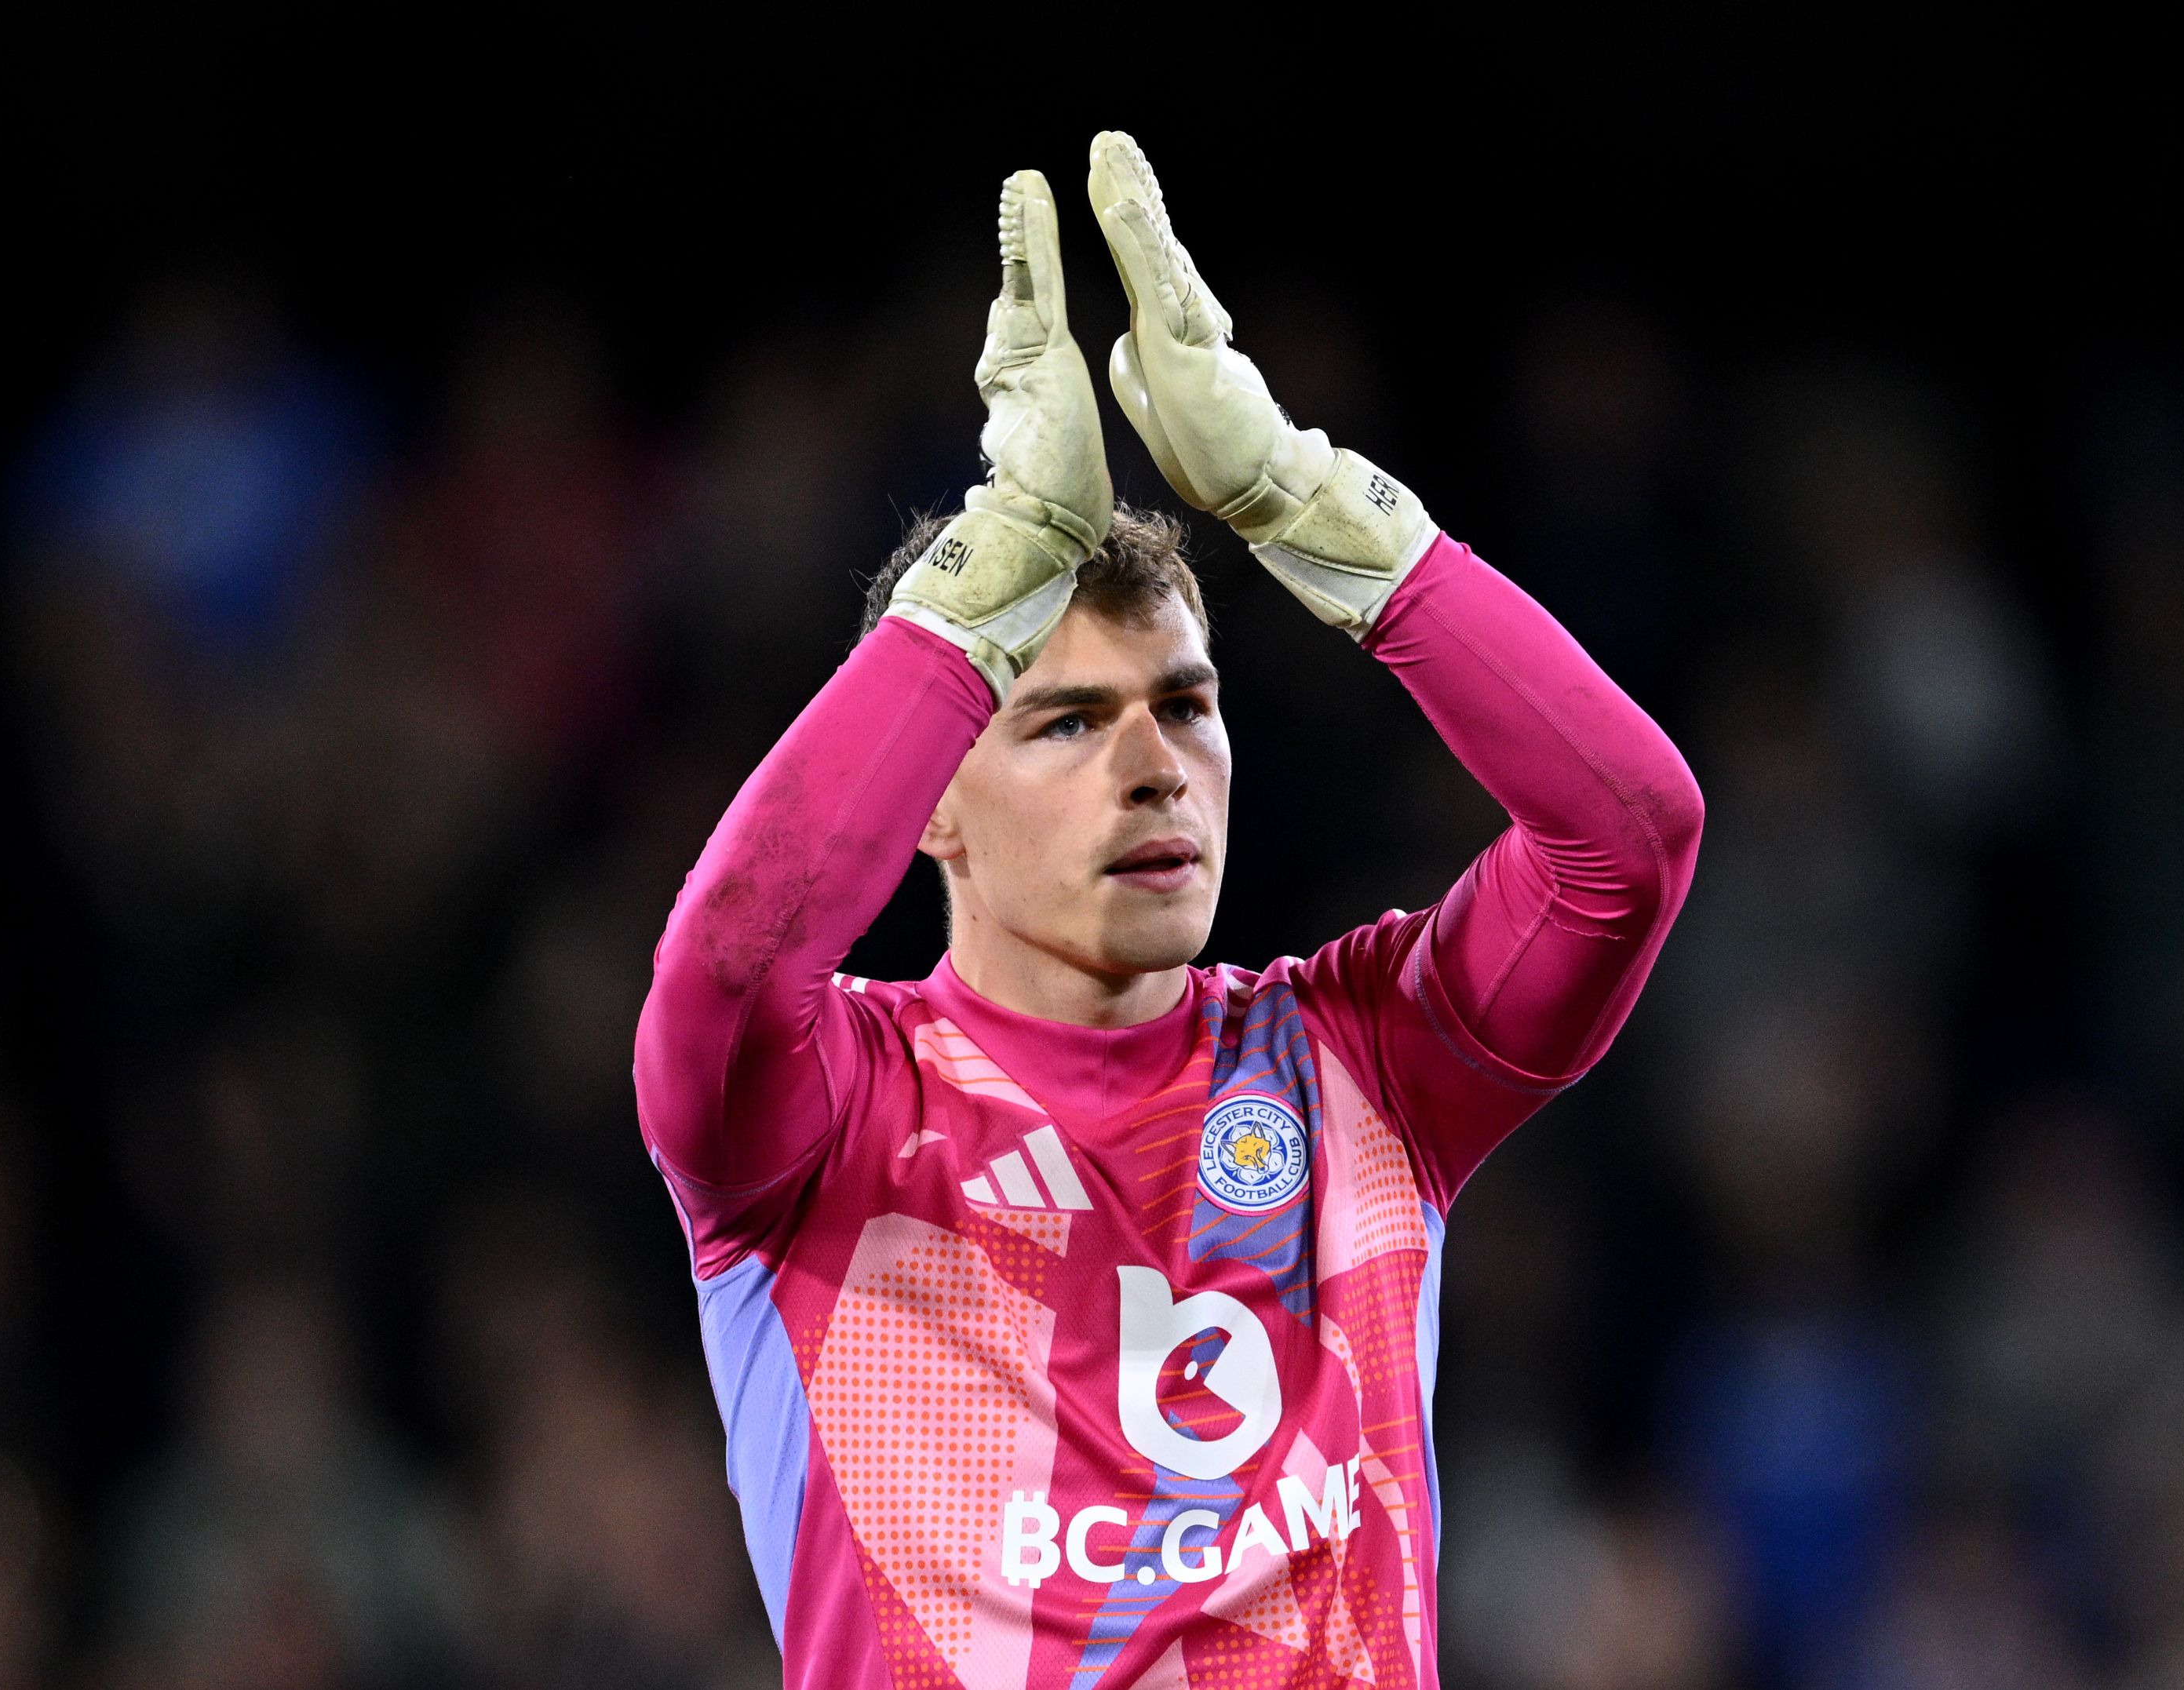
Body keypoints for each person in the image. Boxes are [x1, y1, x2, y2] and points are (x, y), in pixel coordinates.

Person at [633, 133, 1703, 1689]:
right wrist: (983, 584)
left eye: (1186, 707)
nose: (1154, 768)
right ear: (930, 793)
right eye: (1065, 721)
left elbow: (1630, 836)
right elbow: (727, 968)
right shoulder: (824, 1119)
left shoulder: (1363, 1063)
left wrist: (1308, 503)